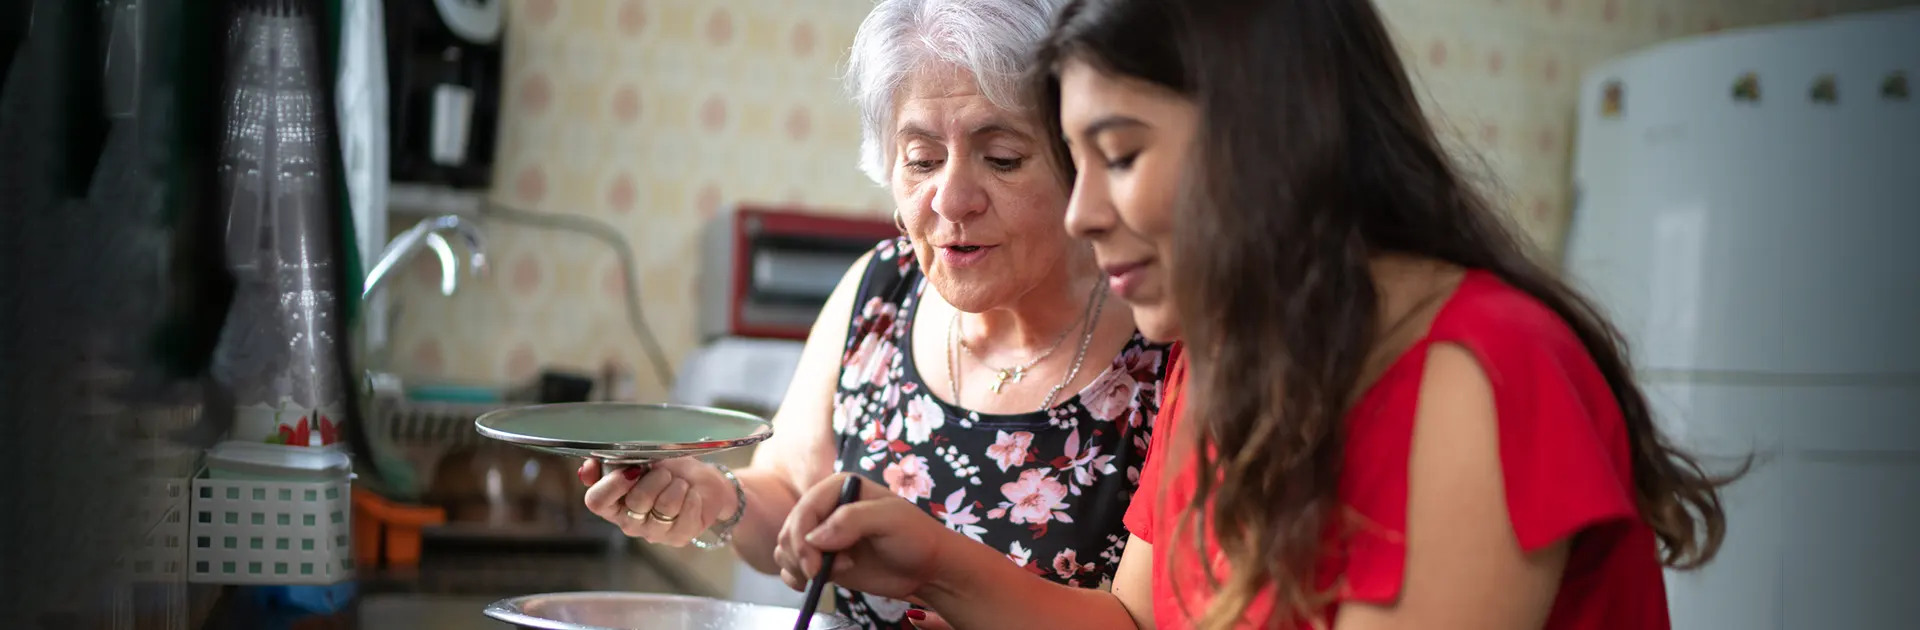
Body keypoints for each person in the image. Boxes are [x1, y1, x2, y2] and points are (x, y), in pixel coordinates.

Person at [770, 0, 1745, 629]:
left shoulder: (1478, 373)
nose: (1081, 213)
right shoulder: (1226, 351)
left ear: (1264, 137)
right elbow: (1139, 624)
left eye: (1116, 155)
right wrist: (934, 561)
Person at [577, 1, 1174, 628]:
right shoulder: (879, 293)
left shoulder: (1162, 334)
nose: (951, 199)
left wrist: (947, 582)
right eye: (921, 159)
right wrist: (713, 498)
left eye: (1002, 158)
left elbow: (1138, 620)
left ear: (1079, 157)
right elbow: (793, 496)